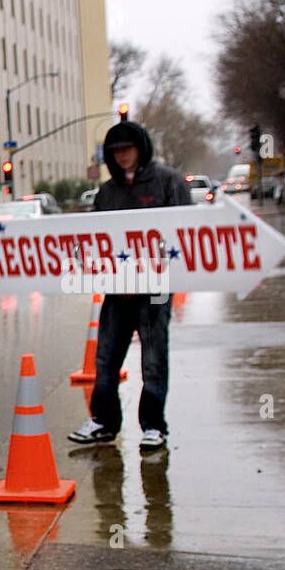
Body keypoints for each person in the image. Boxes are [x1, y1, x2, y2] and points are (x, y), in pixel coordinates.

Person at [68, 119, 190, 452]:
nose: (122, 156)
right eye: (116, 151)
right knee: (106, 357)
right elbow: (94, 236)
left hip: (156, 287)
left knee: (153, 357)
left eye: (127, 149)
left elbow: (186, 229)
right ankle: (103, 422)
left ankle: (153, 426)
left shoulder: (168, 182)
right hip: (117, 286)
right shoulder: (108, 192)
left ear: (141, 149)